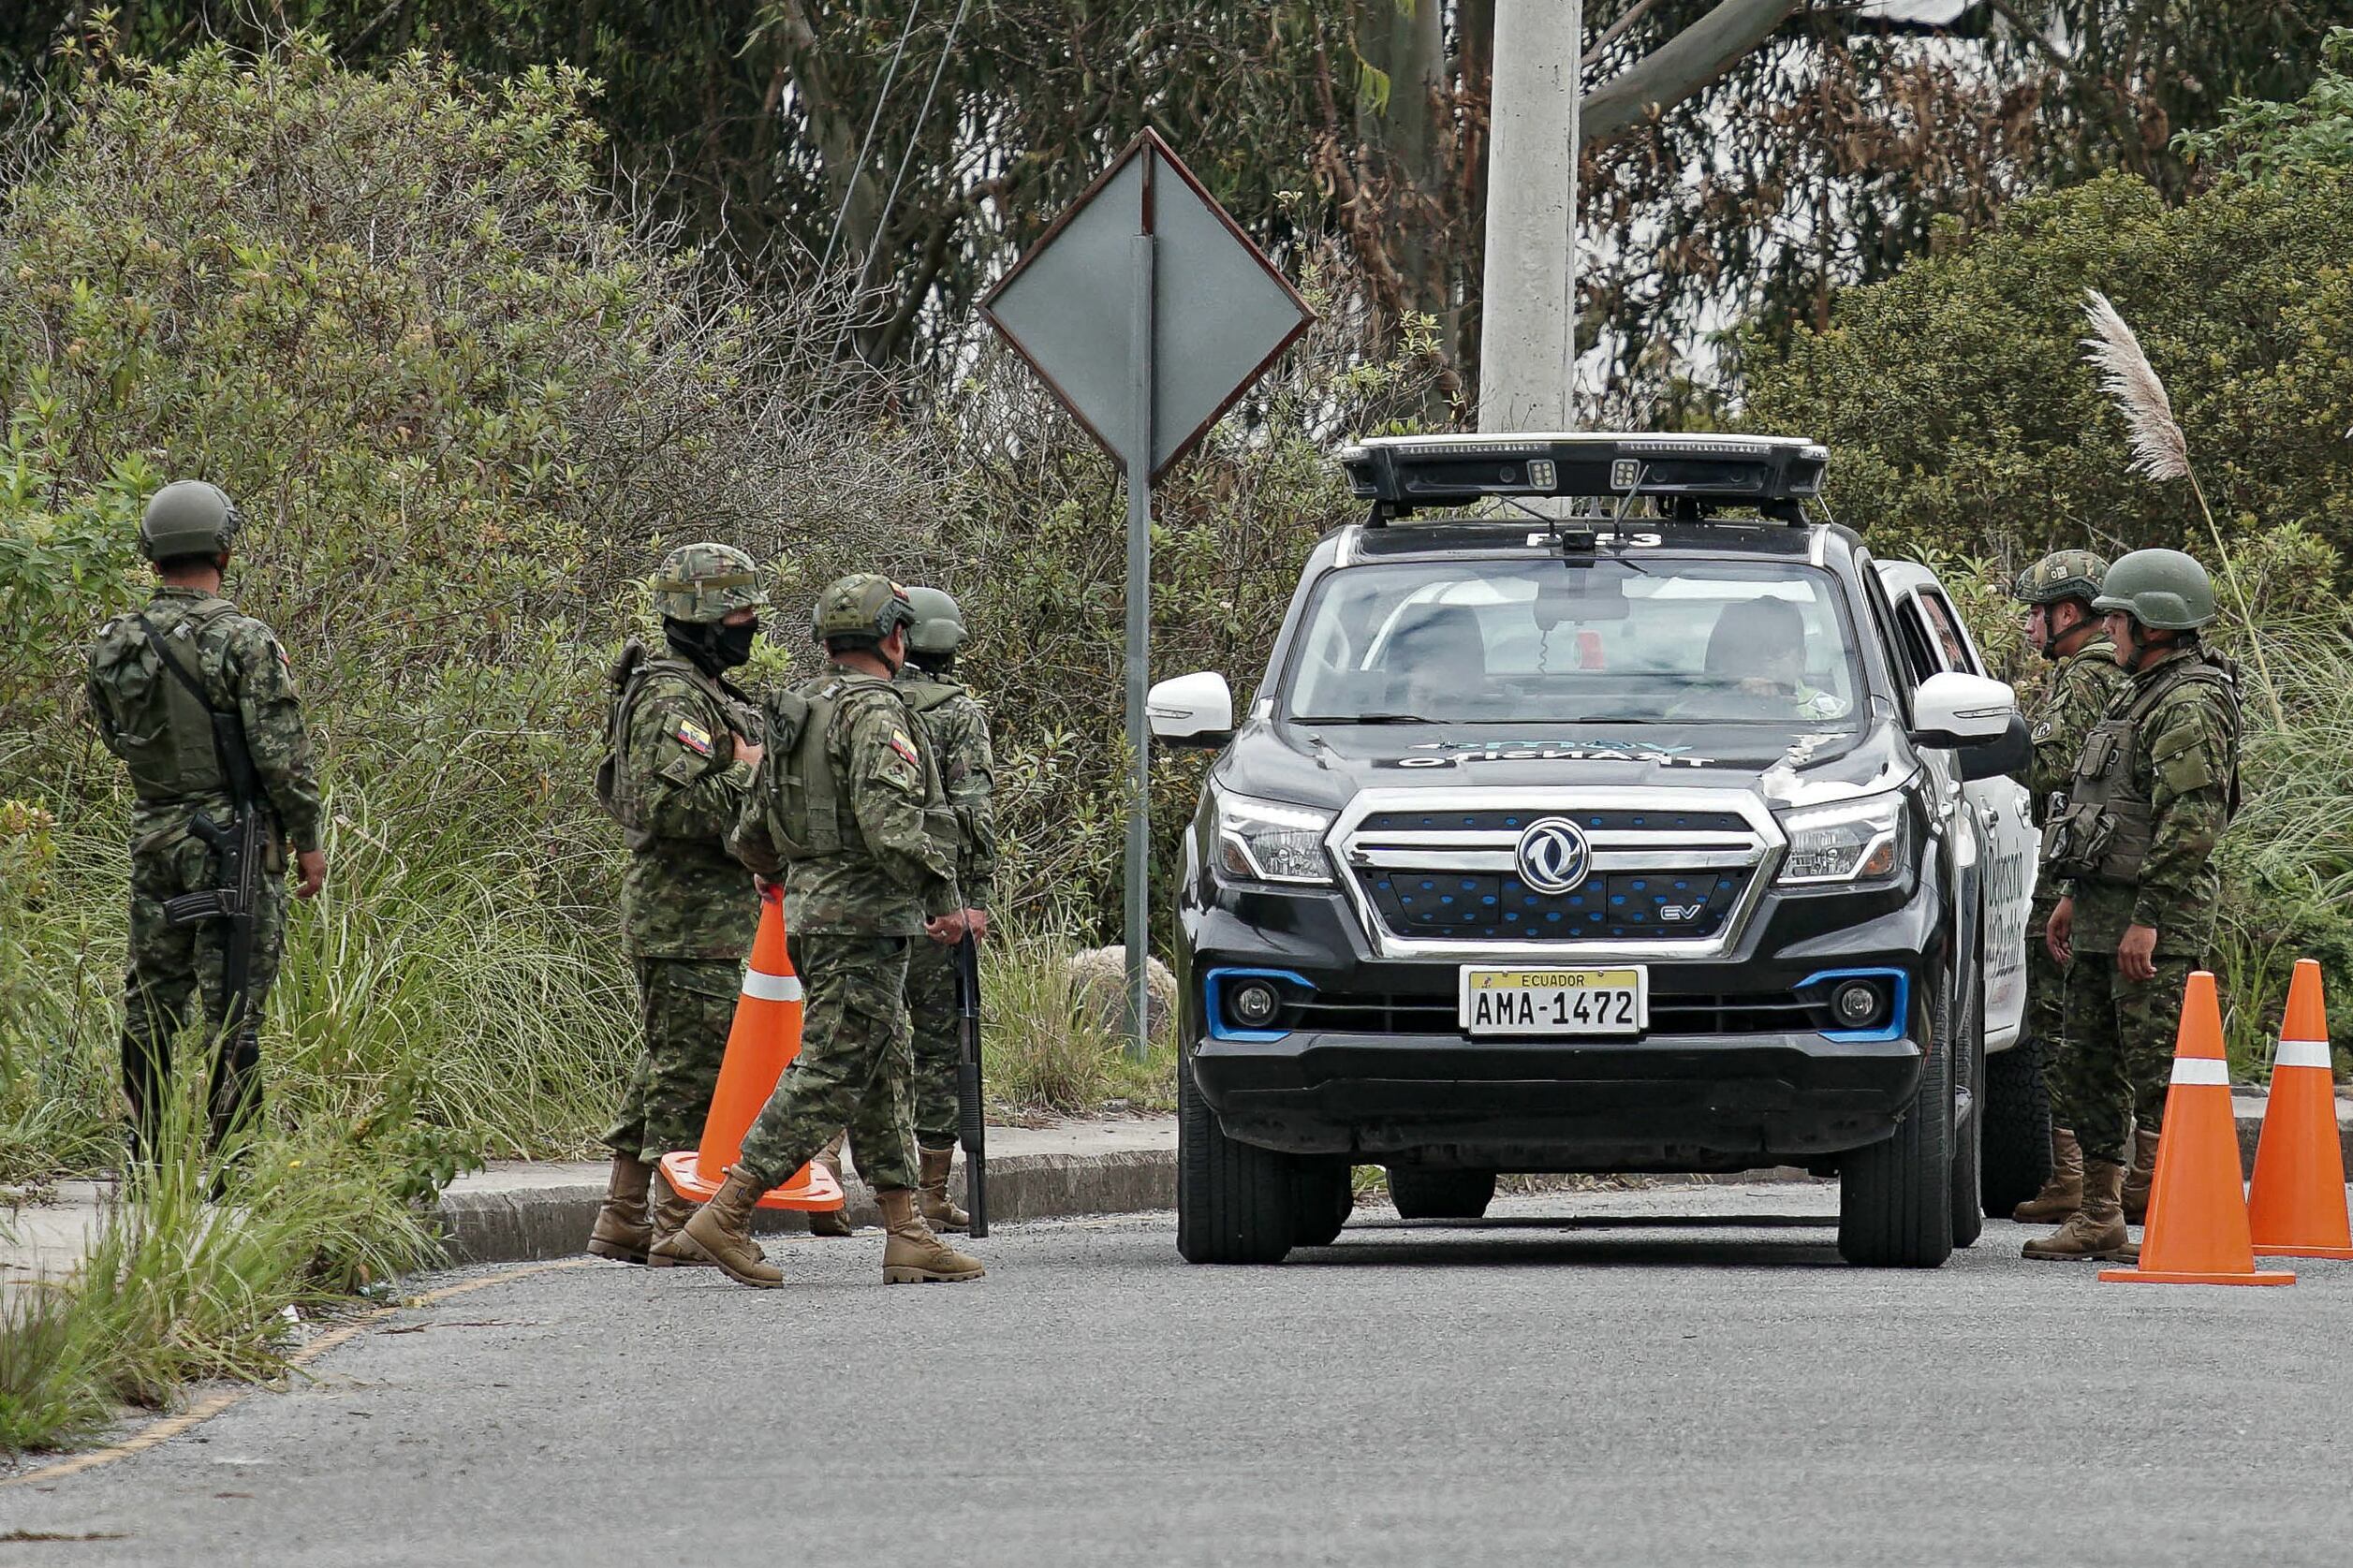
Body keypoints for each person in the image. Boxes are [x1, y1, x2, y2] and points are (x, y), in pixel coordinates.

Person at [655, 573, 983, 1288]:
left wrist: (778, 871)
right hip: (865, 919)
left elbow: (752, 826)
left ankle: (906, 1230)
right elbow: (891, 825)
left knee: (881, 1067)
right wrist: (945, 897)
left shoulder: (799, 706)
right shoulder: (878, 712)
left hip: (811, 914)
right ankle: (728, 1210)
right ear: (893, 637)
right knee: (833, 1069)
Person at [85, 480, 327, 1166]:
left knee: (151, 1003)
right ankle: (234, 1164)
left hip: (154, 838)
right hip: (233, 843)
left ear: (152, 552)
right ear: (224, 549)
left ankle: (148, 1159)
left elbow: (116, 737)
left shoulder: (115, 641)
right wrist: (307, 840)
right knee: (235, 1009)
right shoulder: (244, 640)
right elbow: (282, 758)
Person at [2028, 549, 2241, 1262]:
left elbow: (2191, 822)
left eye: (2116, 619)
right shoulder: (2133, 692)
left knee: (2159, 1073)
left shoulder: (2189, 701)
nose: (2106, 630)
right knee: (2087, 1064)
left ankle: (2179, 1217)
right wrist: (2070, 895)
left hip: (2153, 920)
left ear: (2153, 623)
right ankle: (2098, 1213)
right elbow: (2099, 805)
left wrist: (2146, 917)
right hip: (2098, 911)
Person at [584, 544, 767, 1267]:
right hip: (685, 919)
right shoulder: (672, 697)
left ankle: (624, 1214)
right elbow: (667, 807)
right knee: (695, 1074)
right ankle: (676, 1221)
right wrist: (747, 776)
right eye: (739, 614)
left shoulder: (705, 690)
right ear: (703, 617)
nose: (751, 627)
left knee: (671, 1064)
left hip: (704, 918)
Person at [805, 585, 997, 1237]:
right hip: (934, 900)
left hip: (852, 901)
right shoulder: (956, 712)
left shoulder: (840, 701)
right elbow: (971, 812)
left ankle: (825, 1175)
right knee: (939, 1045)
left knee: (849, 1038)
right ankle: (931, 1193)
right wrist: (973, 897)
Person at [2005, 550, 2129, 1225]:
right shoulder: (2125, 671)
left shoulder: (2085, 676)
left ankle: (2074, 1177)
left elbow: (2051, 769)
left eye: (2037, 613)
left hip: (2075, 864)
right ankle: (2113, 1176)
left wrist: (2006, 746)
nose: (2030, 627)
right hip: (2108, 862)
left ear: (2070, 613)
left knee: (2060, 1018)